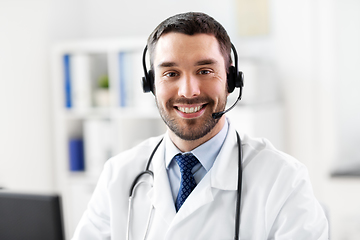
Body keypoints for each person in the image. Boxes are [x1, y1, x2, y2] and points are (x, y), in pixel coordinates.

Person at [72, 12, 329, 239]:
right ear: (151, 85)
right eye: (170, 73)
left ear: (230, 80)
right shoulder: (119, 176)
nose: (188, 91)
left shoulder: (283, 179)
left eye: (205, 71)